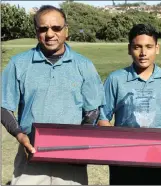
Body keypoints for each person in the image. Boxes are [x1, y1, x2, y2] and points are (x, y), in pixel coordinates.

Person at [1, 5, 105, 185]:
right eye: (43, 29)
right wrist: (20, 136)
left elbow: (92, 110)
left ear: (66, 31)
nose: (50, 34)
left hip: (71, 155)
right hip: (30, 151)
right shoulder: (19, 63)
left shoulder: (84, 65)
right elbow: (4, 107)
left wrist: (78, 141)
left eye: (56, 28)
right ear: (36, 32)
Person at [97, 24, 161, 185]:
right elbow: (102, 117)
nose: (143, 53)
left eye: (148, 47)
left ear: (157, 48)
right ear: (129, 49)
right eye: (137, 47)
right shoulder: (116, 79)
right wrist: (117, 143)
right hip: (124, 160)